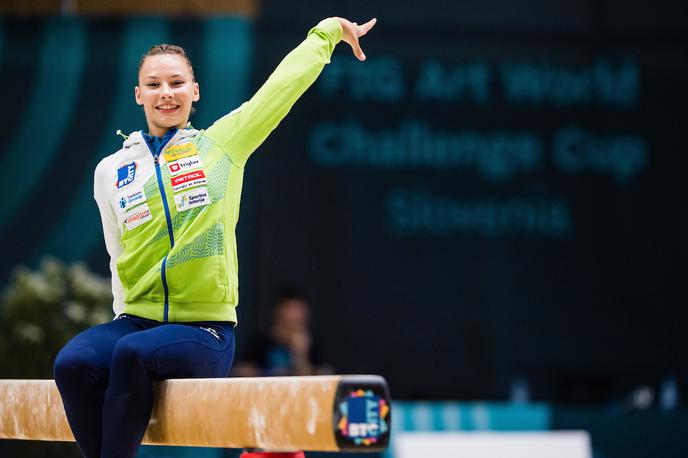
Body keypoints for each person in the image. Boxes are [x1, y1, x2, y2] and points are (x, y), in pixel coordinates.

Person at [52, 16, 377, 458]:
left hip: (204, 332)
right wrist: (120, 318)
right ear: (138, 94)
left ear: (195, 91)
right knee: (71, 364)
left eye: (176, 82)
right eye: (153, 84)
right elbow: (116, 254)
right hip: (135, 323)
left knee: (130, 355)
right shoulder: (111, 171)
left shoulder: (222, 146)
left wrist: (327, 35)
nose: (165, 92)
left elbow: (279, 90)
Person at [235, 289, 332, 376]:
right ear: (277, 311)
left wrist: (300, 354)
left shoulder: (312, 345)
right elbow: (242, 372)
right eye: (290, 309)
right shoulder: (260, 343)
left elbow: (318, 380)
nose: (294, 315)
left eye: (298, 309)